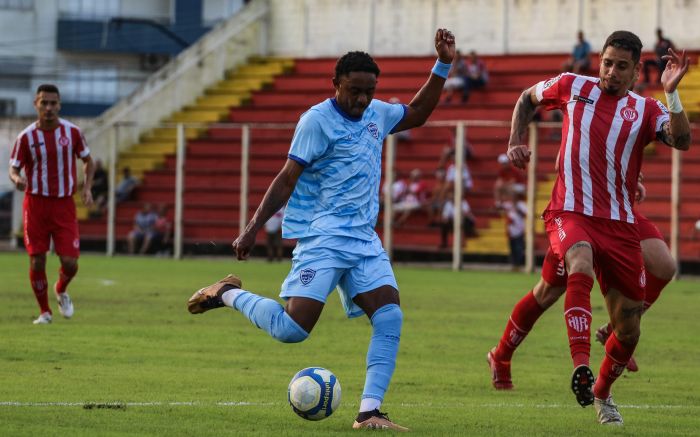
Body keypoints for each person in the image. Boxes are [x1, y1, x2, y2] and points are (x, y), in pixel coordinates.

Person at [186, 28, 456, 432]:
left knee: (390, 317)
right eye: (354, 90)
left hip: (364, 239)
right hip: (323, 237)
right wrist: (253, 227)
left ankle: (369, 412)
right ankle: (227, 293)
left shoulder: (376, 115)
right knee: (292, 330)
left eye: (369, 91)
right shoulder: (315, 121)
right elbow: (286, 177)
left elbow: (417, 113)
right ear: (336, 85)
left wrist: (443, 63)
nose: (362, 99)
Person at [505, 30, 690, 424]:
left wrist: (672, 94)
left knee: (629, 330)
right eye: (607, 63)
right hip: (569, 212)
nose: (611, 72)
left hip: (621, 223)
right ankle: (580, 366)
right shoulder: (574, 86)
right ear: (599, 61)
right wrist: (514, 140)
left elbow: (682, 139)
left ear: (636, 71)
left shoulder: (645, 109)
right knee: (579, 262)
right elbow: (526, 98)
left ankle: (602, 392)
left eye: (621, 66)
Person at [487, 181, 674, 388]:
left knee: (664, 266)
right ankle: (501, 356)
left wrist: (631, 178)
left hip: (619, 213)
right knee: (549, 291)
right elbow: (564, 158)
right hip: (579, 212)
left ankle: (615, 330)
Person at [8, 84, 95, 325]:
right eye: (44, 103)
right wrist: (17, 179)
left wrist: (86, 188)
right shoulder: (26, 137)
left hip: (64, 205)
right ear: (36, 104)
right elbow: (13, 167)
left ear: (59, 105)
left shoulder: (73, 132)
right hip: (35, 205)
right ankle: (45, 312)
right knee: (37, 259)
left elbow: (88, 160)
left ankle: (60, 288)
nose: (48, 107)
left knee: (70, 262)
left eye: (53, 103)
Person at [501, 185, 527, 270]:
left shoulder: (521, 204)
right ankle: (513, 265)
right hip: (511, 230)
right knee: (512, 248)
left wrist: (516, 208)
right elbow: (499, 206)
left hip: (519, 230)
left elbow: (525, 214)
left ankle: (518, 265)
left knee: (519, 248)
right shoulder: (508, 204)